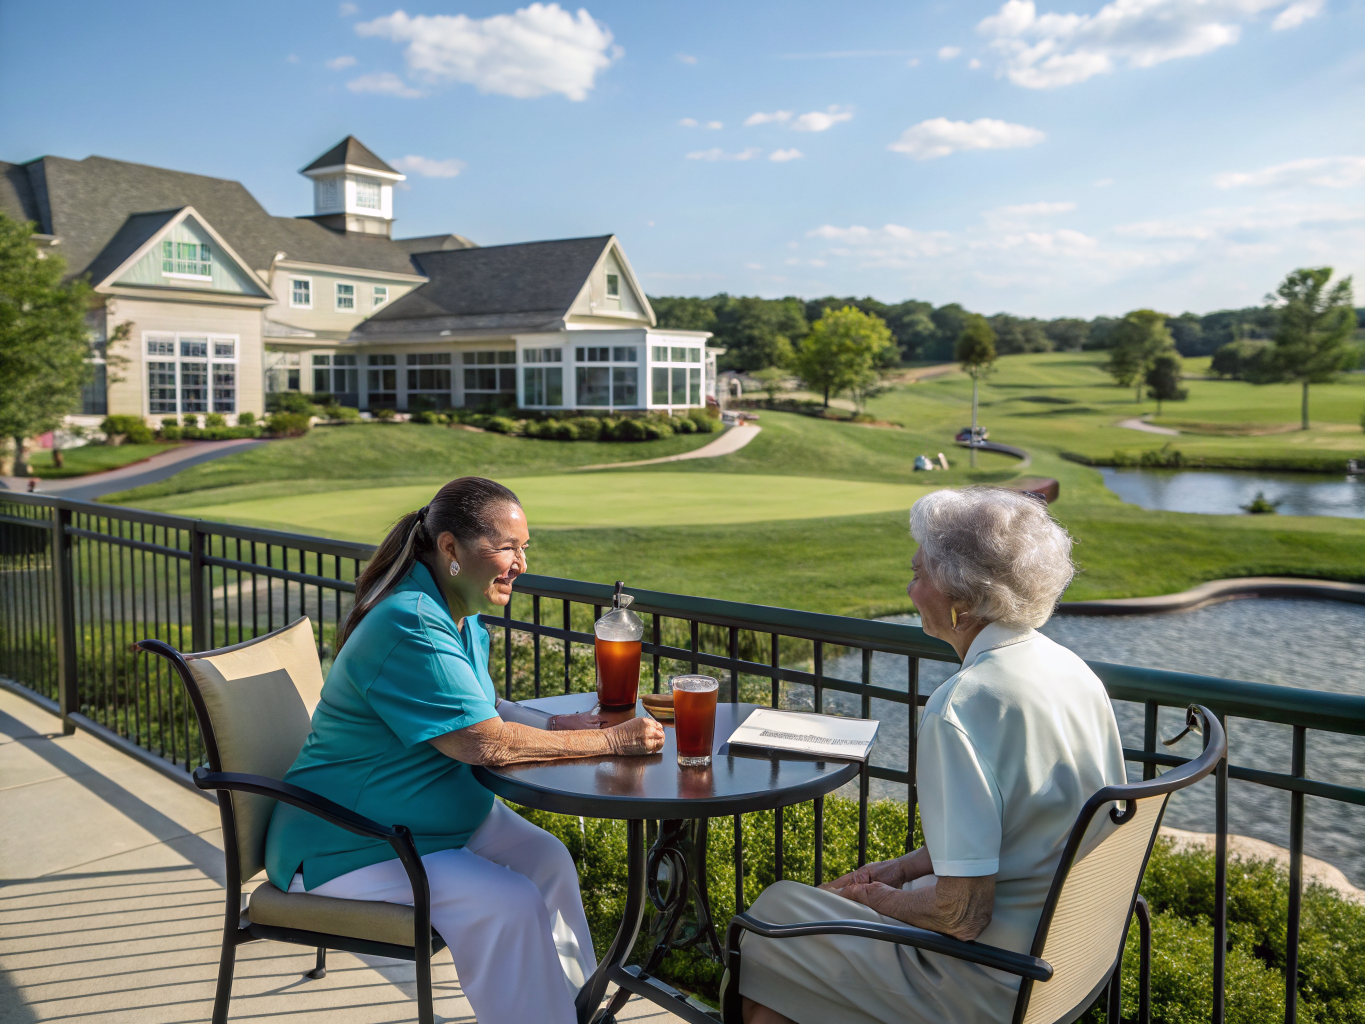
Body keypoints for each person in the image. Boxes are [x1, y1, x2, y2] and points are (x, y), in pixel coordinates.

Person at [263, 476, 664, 1024]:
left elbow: (484, 705)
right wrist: (610, 740)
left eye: (525, 548)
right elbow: (484, 742)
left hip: (431, 818)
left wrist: (557, 721)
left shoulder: (457, 612)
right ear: (449, 547)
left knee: (547, 860)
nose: (521, 563)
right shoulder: (411, 623)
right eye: (507, 547)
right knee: (508, 904)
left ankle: (574, 1012)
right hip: (351, 838)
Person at [736, 486, 1127, 1024]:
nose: (910, 587)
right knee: (787, 965)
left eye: (918, 574)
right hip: (1071, 964)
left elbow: (962, 914)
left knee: (772, 918)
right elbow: (1020, 830)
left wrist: (873, 900)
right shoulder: (1071, 672)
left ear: (959, 597)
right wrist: (897, 870)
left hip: (987, 979)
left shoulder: (961, 706)